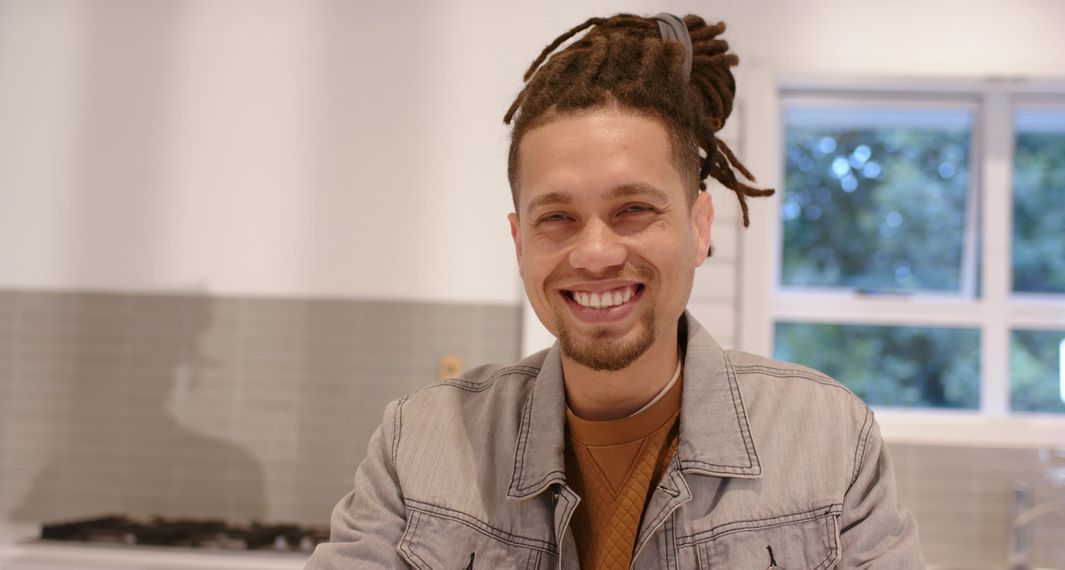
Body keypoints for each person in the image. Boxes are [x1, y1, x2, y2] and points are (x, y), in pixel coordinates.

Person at [306, 12, 924, 569]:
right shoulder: (419, 445)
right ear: (520, 243)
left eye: (633, 209)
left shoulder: (828, 441)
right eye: (557, 218)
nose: (596, 252)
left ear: (700, 227)